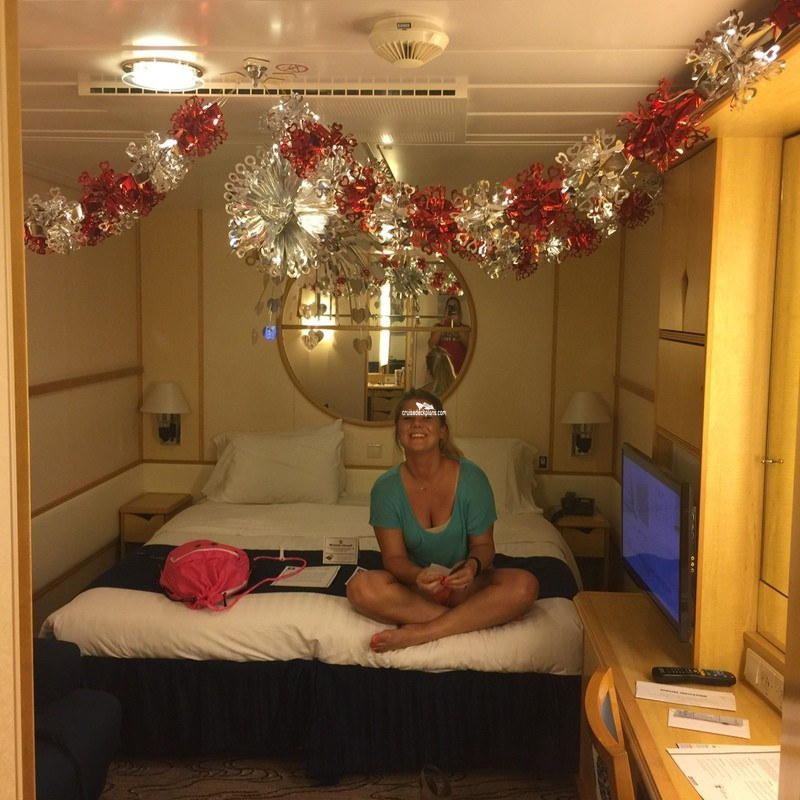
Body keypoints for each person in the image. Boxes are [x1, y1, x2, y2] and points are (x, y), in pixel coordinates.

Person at [346, 388, 539, 652]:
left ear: (442, 431)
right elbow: (394, 559)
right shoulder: (386, 488)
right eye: (407, 418)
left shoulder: (472, 479)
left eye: (427, 417)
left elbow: (484, 546)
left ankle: (422, 632)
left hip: (466, 587)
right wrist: (418, 576)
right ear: (398, 432)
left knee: (525, 585)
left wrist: (471, 567)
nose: (416, 423)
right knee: (360, 588)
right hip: (415, 589)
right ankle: (475, 619)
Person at [427, 297, 470, 373]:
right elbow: (432, 345)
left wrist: (457, 325)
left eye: (454, 307)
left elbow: (469, 345)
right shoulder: (438, 327)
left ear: (459, 311)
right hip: (441, 371)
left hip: (461, 372)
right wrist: (443, 325)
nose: (452, 310)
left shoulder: (465, 328)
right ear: (445, 310)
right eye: (449, 307)